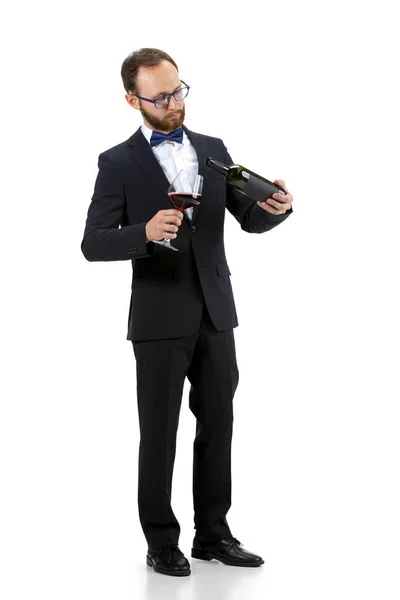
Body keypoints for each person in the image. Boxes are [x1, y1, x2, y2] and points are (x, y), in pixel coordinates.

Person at [81, 47, 294, 577]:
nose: (174, 103)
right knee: (160, 431)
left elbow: (247, 217)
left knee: (218, 424)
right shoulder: (117, 161)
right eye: (161, 97)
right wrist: (143, 235)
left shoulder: (214, 148)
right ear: (133, 99)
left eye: (179, 91)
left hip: (217, 313)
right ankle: (161, 541)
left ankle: (214, 534)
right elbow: (92, 242)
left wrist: (277, 210)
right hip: (157, 320)